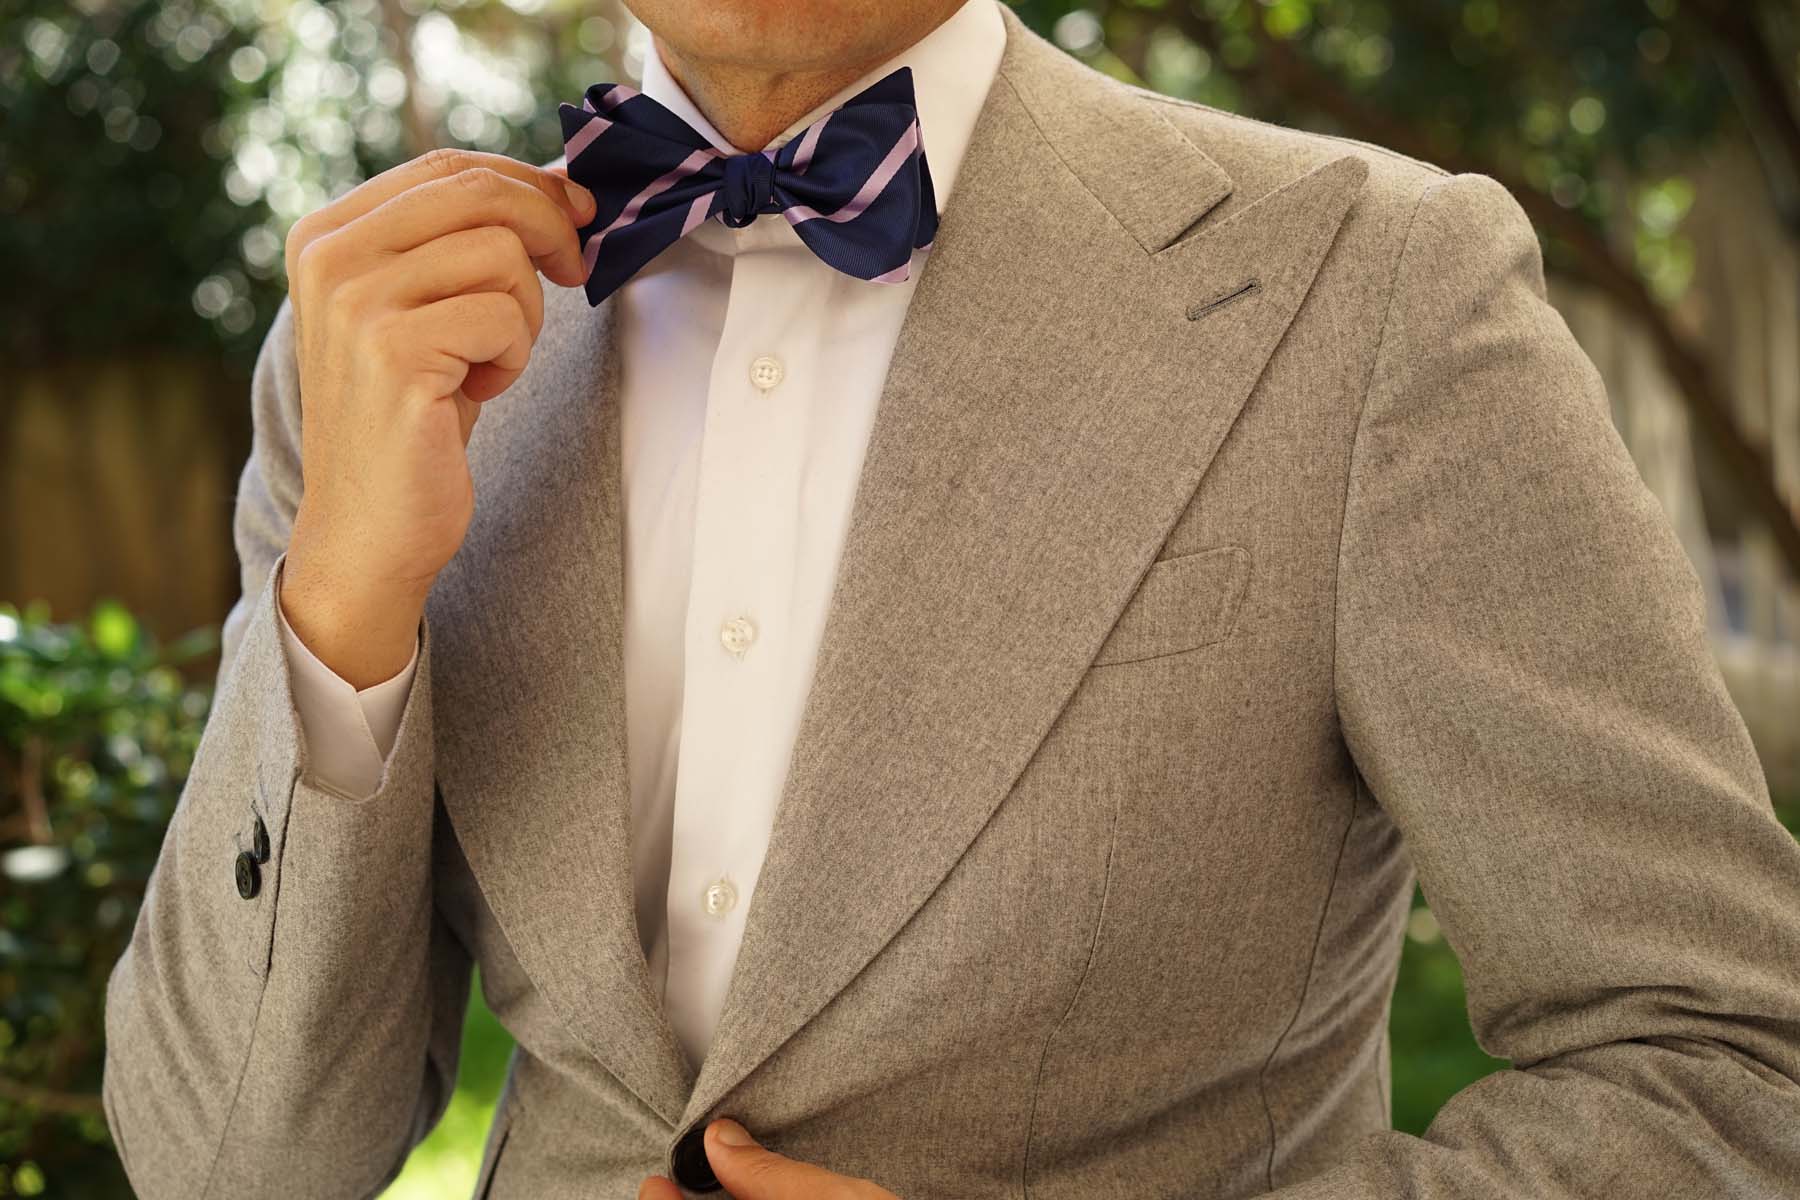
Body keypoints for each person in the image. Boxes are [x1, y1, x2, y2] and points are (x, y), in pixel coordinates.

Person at [102, 0, 1800, 1197]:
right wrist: (341, 604)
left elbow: (1731, 1081)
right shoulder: (377, 345)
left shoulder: (1375, 295)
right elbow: (228, 1166)